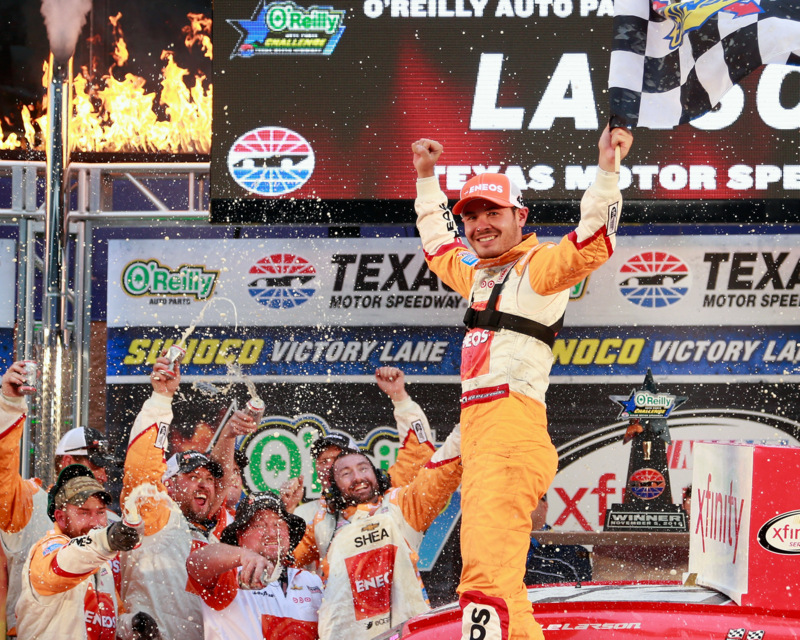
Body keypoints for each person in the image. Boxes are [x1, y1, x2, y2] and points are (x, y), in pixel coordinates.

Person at [411, 124, 633, 640]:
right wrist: (427, 180)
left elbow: (595, 240)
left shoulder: (539, 267)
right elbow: (439, 246)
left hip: (510, 430)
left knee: (487, 580)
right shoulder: (481, 272)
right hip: (478, 426)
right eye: (472, 215)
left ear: (520, 217)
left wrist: (606, 169)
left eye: (493, 212)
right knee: (486, 574)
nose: (480, 224)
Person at [117, 355, 256, 640]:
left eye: (207, 479)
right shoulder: (154, 515)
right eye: (192, 478)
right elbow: (142, 467)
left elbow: (221, 482)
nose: (204, 485)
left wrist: (228, 435)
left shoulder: (212, 531)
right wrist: (160, 399)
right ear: (167, 484)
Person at [0, 362, 117, 637]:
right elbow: (3, 470)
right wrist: (9, 404)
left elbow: (110, 598)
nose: (102, 474)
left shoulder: (108, 521)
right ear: (66, 461)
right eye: (95, 464)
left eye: (105, 467)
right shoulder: (29, 502)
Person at [283, 367, 436, 573]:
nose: (329, 466)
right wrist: (286, 513)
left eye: (337, 459)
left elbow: (420, 450)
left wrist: (400, 398)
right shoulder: (306, 515)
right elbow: (283, 567)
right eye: (323, 461)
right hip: (337, 604)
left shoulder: (388, 494)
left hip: (399, 601)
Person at [316, 427, 462, 640]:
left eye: (363, 468)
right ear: (334, 486)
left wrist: (465, 426)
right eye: (346, 474)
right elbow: (286, 562)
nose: (358, 478)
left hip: (407, 634)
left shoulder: (401, 505)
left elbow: (441, 472)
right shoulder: (322, 524)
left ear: (377, 473)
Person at [14, 464, 150, 639]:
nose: (95, 522)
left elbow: (102, 619)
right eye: (84, 513)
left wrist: (132, 625)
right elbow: (66, 561)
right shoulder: (47, 550)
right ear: (61, 518)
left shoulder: (99, 560)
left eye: (100, 512)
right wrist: (106, 540)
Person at [186, 492, 323, 640]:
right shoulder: (228, 574)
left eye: (278, 524)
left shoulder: (312, 582)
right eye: (259, 525)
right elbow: (196, 562)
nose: (271, 533)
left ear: (289, 533)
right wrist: (244, 556)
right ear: (240, 535)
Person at [524, 495, 591, 586]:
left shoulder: (572, 552)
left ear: (545, 506)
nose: (520, 507)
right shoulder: (500, 547)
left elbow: (582, 596)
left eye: (528, 501)